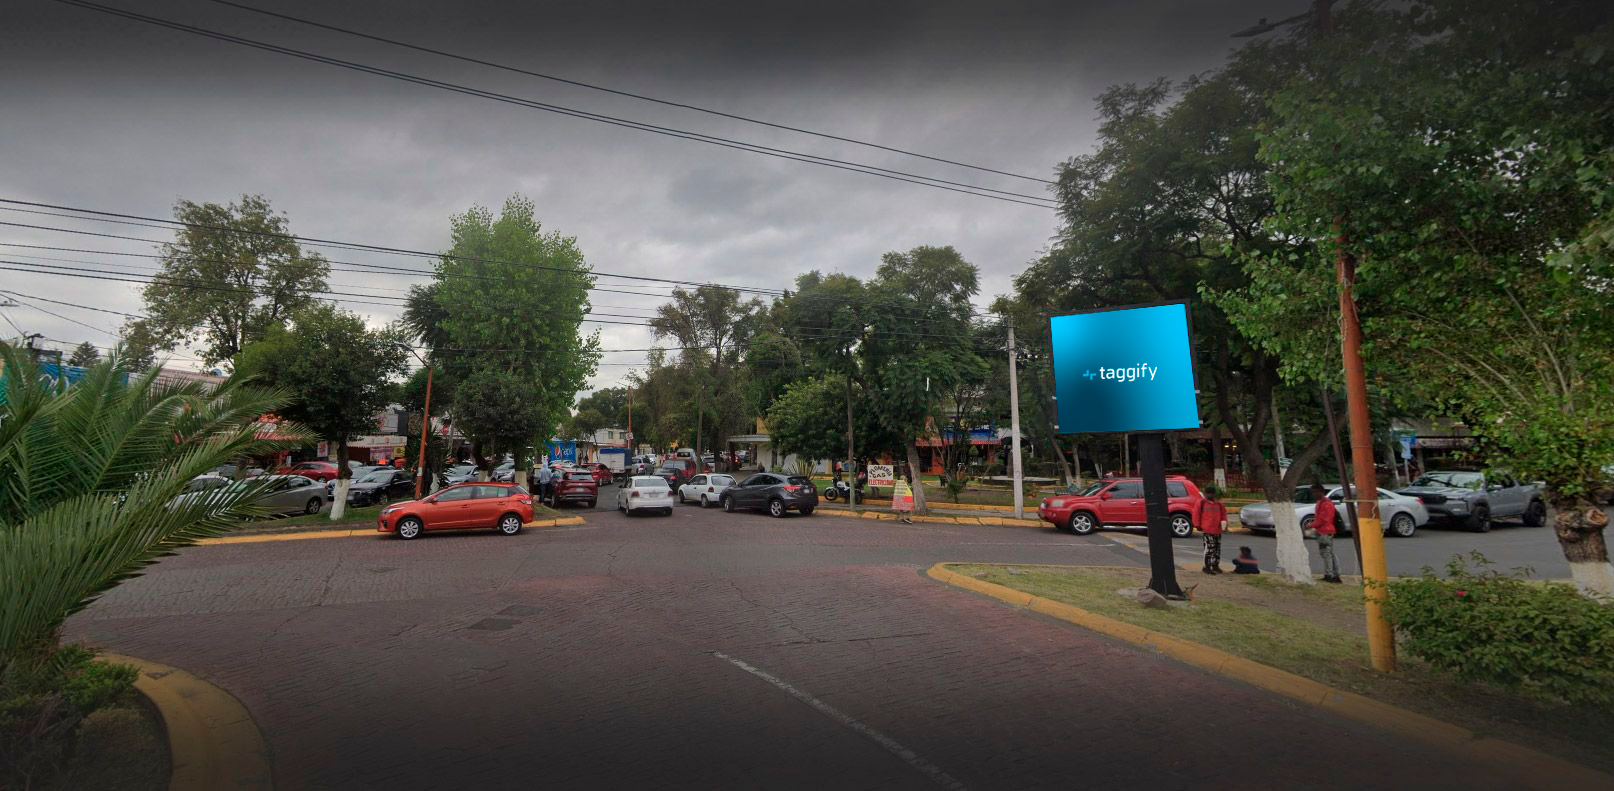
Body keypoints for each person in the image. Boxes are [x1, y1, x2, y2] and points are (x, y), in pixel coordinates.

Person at [1310, 483, 1343, 583]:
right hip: (1323, 531)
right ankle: (1333, 574)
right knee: (1329, 553)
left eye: (1314, 492)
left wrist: (1311, 525)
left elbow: (1324, 519)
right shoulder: (1321, 502)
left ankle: (1331, 575)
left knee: (1327, 554)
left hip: (1326, 531)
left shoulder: (1326, 503)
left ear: (1320, 492)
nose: (1313, 495)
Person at [1197, 485, 1227, 574]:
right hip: (1207, 530)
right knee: (1209, 549)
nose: (1210, 495)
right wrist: (1198, 526)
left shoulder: (1219, 504)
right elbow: (1196, 514)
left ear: (1214, 494)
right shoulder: (1201, 503)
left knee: (1217, 549)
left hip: (1217, 530)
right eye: (1208, 493)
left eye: (1211, 493)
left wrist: (1224, 523)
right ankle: (1207, 567)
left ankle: (1215, 565)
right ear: (1205, 494)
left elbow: (1223, 515)